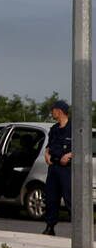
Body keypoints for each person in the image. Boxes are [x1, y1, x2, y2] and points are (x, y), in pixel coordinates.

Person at [42, 99, 74, 236]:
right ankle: (50, 226)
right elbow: (49, 146)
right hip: (54, 168)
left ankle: (77, 229)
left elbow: (82, 147)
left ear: (59, 111)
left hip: (67, 169)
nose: (52, 112)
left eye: (53, 110)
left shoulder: (73, 128)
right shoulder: (54, 129)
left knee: (69, 197)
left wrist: (69, 155)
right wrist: (46, 154)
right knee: (51, 197)